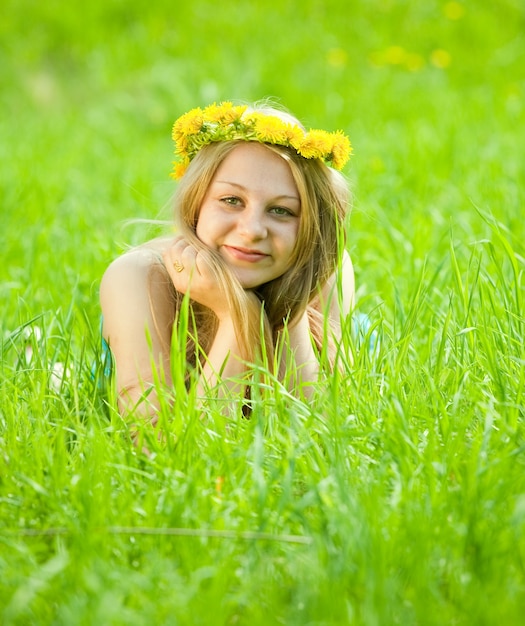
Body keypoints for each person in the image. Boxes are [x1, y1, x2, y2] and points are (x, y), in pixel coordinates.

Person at [100, 100, 355, 433]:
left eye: (282, 211)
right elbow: (155, 444)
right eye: (232, 201)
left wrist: (291, 307)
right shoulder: (138, 276)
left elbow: (312, 433)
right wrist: (237, 318)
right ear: (196, 204)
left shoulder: (323, 269)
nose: (251, 231)